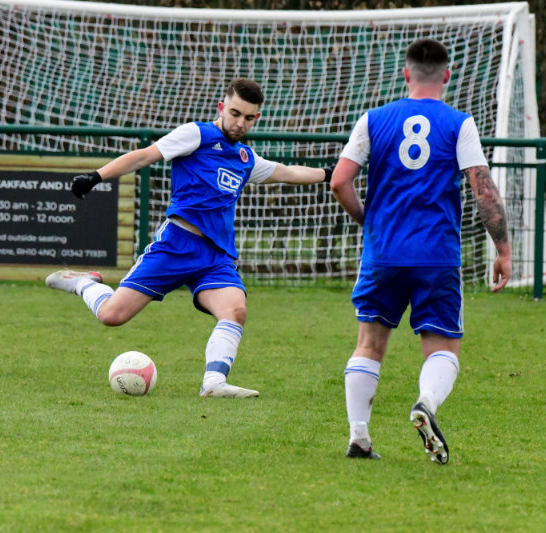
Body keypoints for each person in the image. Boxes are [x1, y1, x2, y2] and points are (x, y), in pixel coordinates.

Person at [46, 78, 331, 398]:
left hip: (215, 256)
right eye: (235, 113)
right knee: (112, 316)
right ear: (221, 108)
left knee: (235, 310)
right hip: (176, 245)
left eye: (248, 118)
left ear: (257, 118)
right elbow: (144, 156)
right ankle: (83, 282)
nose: (240, 123)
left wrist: (332, 174)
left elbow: (288, 172)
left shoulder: (245, 159)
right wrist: (96, 176)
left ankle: (214, 383)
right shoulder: (197, 134)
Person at [330, 39, 512, 463]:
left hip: (383, 253)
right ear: (446, 75)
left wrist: (366, 219)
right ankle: (426, 402)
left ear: (406, 73)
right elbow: (483, 190)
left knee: (369, 344)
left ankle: (359, 438)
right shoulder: (459, 123)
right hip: (436, 256)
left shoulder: (374, 119)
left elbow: (339, 181)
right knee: (443, 347)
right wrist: (502, 249)